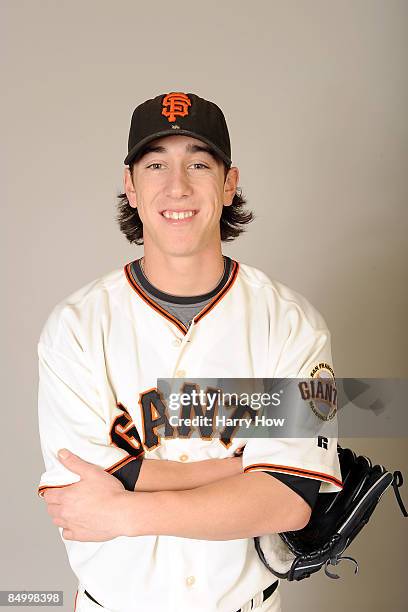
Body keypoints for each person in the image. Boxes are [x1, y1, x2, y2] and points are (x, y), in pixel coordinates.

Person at [37, 91, 342, 612]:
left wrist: (126, 510)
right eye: (156, 164)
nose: (176, 185)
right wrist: (242, 467)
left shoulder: (293, 326)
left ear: (229, 184)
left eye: (198, 163)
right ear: (130, 186)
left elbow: (289, 501)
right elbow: (79, 490)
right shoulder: (74, 327)